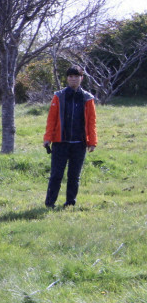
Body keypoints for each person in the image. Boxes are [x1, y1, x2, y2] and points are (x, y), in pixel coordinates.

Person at [43, 65, 98, 208]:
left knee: (74, 176)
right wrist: (47, 138)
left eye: (76, 76)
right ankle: (50, 203)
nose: (73, 79)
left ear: (82, 78)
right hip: (60, 142)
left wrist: (92, 141)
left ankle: (70, 203)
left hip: (79, 143)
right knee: (56, 175)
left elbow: (92, 121)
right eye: (70, 76)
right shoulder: (59, 96)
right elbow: (51, 119)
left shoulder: (87, 98)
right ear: (67, 78)